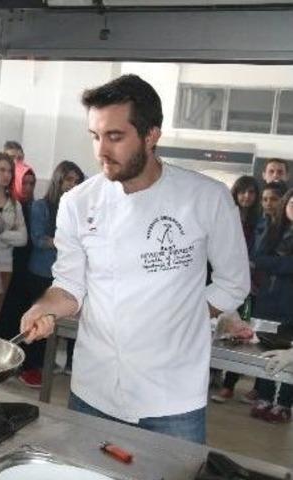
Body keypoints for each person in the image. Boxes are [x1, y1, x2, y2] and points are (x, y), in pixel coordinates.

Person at [20, 74, 251, 444]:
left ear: (151, 135)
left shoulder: (206, 198)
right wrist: (43, 308)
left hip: (172, 397)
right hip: (93, 390)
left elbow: (233, 282)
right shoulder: (78, 202)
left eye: (115, 136)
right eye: (95, 136)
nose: (100, 151)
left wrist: (182, 314)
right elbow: (68, 286)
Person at [21, 161, 84, 387]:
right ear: (58, 180)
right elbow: (38, 239)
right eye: (68, 180)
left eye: (77, 181)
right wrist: (66, 242)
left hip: (68, 277)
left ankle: (57, 364)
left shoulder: (79, 208)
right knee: (38, 324)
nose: (72, 185)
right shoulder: (41, 206)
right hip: (41, 271)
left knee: (60, 323)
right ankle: (30, 367)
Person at [212, 175, 261, 403]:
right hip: (220, 284)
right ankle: (213, 376)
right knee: (218, 329)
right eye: (242, 192)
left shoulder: (260, 223)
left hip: (250, 289)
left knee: (241, 334)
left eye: (251, 192)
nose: (246, 196)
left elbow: (257, 257)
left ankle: (230, 384)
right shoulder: (224, 216)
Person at [250, 190, 293, 423]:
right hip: (268, 301)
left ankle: (284, 404)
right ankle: (264, 396)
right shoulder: (274, 230)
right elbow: (257, 256)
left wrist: (275, 263)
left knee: (289, 353)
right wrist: (283, 264)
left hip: (290, 305)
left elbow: (271, 262)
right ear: (285, 205)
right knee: (265, 350)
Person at [0, 152, 27, 327]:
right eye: (1, 170)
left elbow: (23, 238)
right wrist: (9, 235)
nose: (5, 175)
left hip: (5, 265)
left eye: (9, 171)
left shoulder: (15, 203)